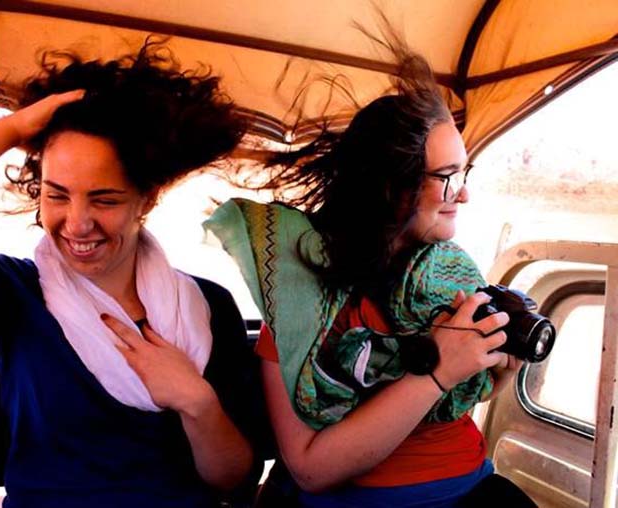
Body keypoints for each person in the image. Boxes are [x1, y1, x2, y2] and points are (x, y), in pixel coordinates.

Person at [0, 40, 262, 508]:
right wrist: (9, 130)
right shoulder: (11, 293)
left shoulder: (209, 305)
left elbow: (233, 478)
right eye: (56, 195)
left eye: (105, 199)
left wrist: (198, 402)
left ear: (146, 200)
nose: (77, 223)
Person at [204, 40, 537, 507]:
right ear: (391, 185)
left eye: (465, 173)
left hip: (473, 486)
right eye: (448, 176)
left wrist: (493, 367)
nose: (463, 196)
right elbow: (309, 468)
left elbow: (453, 405)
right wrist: (437, 372)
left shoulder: (447, 272)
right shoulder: (302, 296)